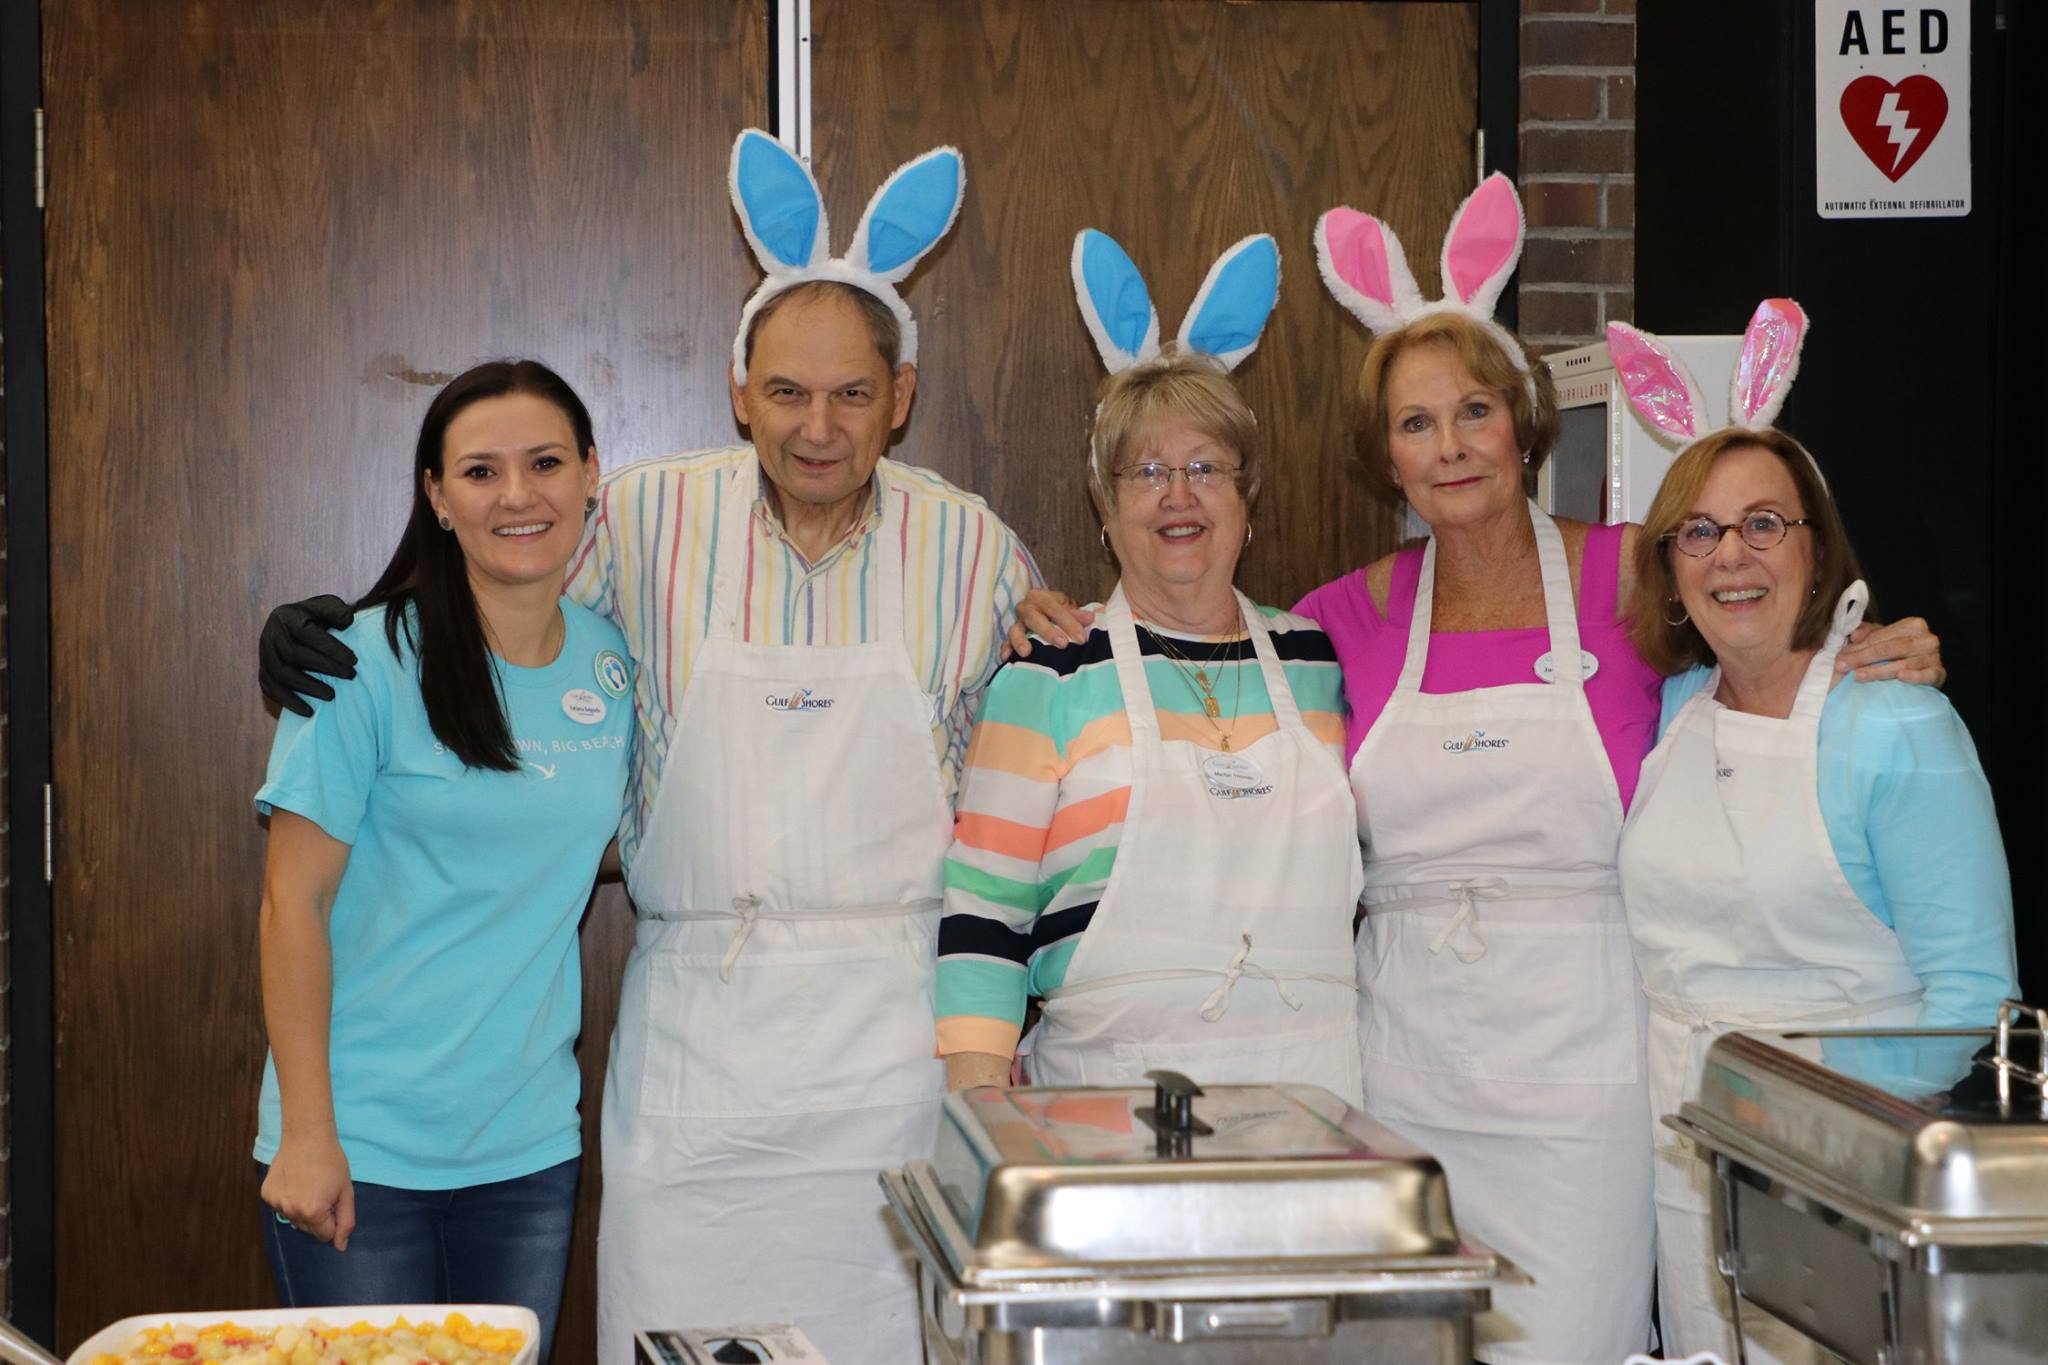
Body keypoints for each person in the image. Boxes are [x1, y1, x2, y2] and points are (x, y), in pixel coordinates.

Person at [1012, 176, 1943, 1365]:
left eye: (1471, 413)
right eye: (1413, 424)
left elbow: (1754, 635)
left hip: (1586, 1079)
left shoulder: (1628, 577)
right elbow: (1194, 665)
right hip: (1396, 1071)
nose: (1447, 446)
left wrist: (1856, 652)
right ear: (1383, 459)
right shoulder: (1333, 622)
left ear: (1522, 423)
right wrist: (1048, 620)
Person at [261, 131, 1036, 1365]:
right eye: (784, 391)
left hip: (895, 1043)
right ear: (739, 392)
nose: (817, 427)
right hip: (698, 1051)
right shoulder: (642, 515)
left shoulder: (976, 552)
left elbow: (1043, 759)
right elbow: (496, 574)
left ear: (900, 399)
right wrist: (326, 623)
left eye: (850, 395)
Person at [1609, 305, 2017, 1365]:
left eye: (1762, 524)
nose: (1728, 555)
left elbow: (1970, 1000)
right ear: (1668, 563)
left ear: (1814, 547)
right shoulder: (1675, 711)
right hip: (1682, 1149)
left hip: (1848, 1165)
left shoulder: (1896, 724)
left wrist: (1785, 1110)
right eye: (1697, 530)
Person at [254, 360, 631, 1363]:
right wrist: (305, 1133)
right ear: (436, 494)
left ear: (593, 473)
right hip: (362, 1141)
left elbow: (583, 848)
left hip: (526, 1146)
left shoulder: (614, 660)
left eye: (546, 462)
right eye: (479, 471)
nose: (517, 495)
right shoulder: (359, 661)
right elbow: (291, 900)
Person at [939, 232, 1364, 1099]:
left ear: (1248, 499)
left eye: (1207, 467)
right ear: (1106, 506)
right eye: (1147, 472)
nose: (1179, 493)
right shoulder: (1049, 669)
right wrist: (981, 1104)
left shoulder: (1312, 656)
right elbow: (985, 914)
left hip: (1313, 1093)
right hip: (1108, 1098)